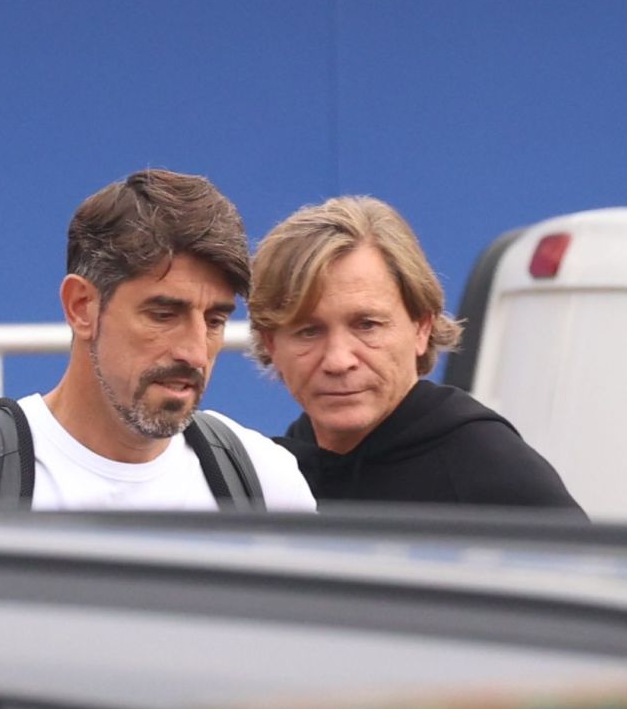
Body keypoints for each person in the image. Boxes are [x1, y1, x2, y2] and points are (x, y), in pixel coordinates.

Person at [0, 169, 314, 513]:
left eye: (215, 320)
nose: (196, 352)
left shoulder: (262, 479)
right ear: (81, 306)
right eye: (163, 314)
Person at [249, 195, 581, 512]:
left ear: (422, 327)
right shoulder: (274, 470)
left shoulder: (489, 470)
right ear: (272, 344)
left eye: (367, 325)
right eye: (308, 331)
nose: (338, 360)